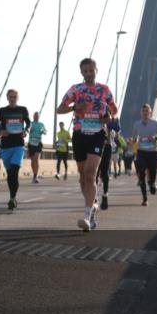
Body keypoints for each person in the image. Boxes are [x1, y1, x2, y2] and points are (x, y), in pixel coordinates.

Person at [57, 58, 118, 231]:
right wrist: (74, 107)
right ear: (81, 72)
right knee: (83, 177)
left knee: (91, 174)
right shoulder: (76, 89)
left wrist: (110, 117)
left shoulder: (104, 90)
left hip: (98, 135)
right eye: (85, 71)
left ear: (96, 70)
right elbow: (59, 109)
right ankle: (92, 204)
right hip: (79, 135)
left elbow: (114, 109)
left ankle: (87, 215)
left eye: (91, 70)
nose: (89, 74)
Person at [0, 89, 30, 211]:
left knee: (15, 170)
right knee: (10, 174)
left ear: (17, 98)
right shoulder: (2, 111)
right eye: (11, 97)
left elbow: (28, 123)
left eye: (14, 97)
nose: (12, 99)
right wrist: (0, 131)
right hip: (6, 146)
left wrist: (26, 130)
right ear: (7, 98)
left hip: (18, 145)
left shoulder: (23, 110)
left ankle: (13, 198)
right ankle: (12, 196)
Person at [130, 104, 157, 207]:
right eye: (143, 111)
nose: (145, 113)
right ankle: (145, 199)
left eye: (147, 111)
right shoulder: (137, 124)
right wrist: (134, 145)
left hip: (153, 152)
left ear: (150, 113)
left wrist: (155, 138)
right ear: (140, 113)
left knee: (153, 172)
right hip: (141, 152)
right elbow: (133, 139)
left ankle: (151, 183)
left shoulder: (155, 124)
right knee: (141, 174)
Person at [96, 121, 120, 210]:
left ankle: (105, 195)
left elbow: (117, 129)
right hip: (94, 146)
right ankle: (94, 198)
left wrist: (109, 122)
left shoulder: (108, 121)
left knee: (104, 172)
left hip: (107, 147)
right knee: (95, 173)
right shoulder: (93, 117)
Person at [28, 111, 47, 182]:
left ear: (39, 117)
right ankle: (34, 174)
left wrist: (43, 131)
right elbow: (27, 130)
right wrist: (30, 130)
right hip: (31, 143)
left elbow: (45, 132)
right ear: (33, 116)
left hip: (38, 143)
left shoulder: (41, 124)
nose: (36, 117)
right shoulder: (30, 123)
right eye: (35, 115)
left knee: (36, 159)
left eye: (37, 116)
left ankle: (35, 176)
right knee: (32, 160)